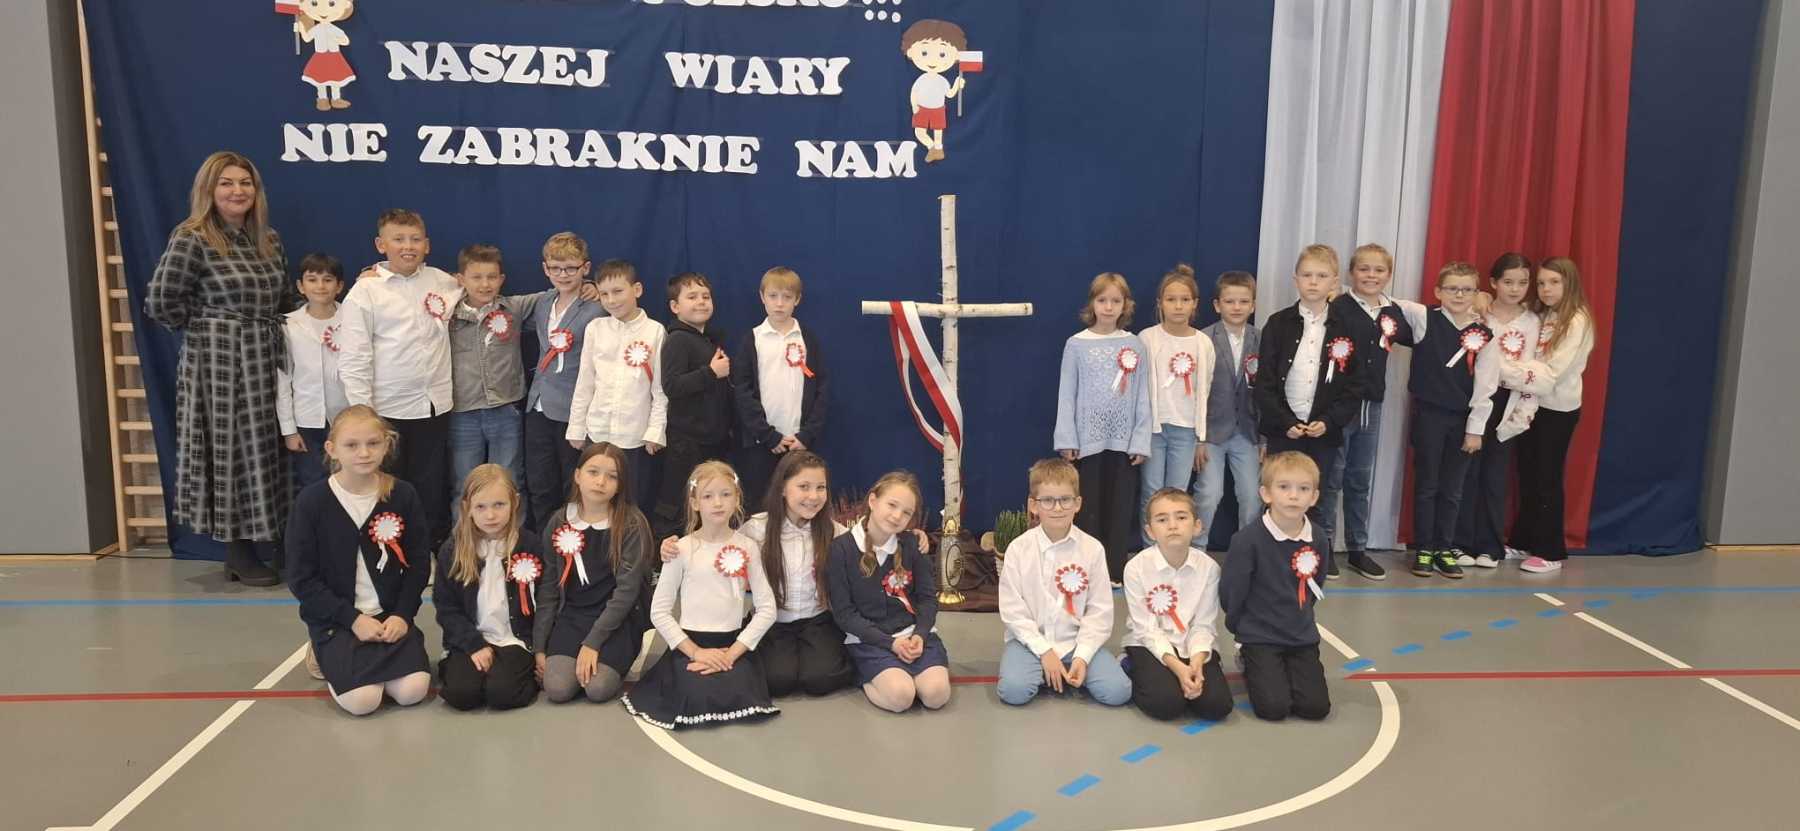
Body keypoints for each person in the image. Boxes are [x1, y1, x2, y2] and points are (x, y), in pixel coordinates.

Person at [146, 150, 290, 586]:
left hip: (264, 356)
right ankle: (237, 550)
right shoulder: (192, 237)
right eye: (227, 183)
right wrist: (210, 329)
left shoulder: (269, 240)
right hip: (219, 363)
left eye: (245, 183)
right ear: (209, 190)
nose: (237, 191)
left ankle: (276, 542)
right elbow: (161, 301)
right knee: (230, 451)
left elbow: (284, 299)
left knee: (265, 450)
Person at [285, 405, 432, 716]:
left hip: (389, 619)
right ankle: (322, 651)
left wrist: (402, 615)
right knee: (363, 702)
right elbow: (301, 578)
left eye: (373, 443)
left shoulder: (403, 495)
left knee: (413, 691)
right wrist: (352, 619)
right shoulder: (311, 502)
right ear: (332, 449)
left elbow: (418, 565)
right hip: (339, 621)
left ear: (386, 445)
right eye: (351, 445)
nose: (364, 453)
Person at [335, 208, 459, 551]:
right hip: (387, 411)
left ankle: (425, 553)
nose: (408, 246)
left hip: (434, 407)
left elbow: (476, 288)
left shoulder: (442, 282)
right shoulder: (365, 292)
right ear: (381, 245)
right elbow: (354, 358)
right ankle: (387, 554)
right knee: (387, 489)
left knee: (430, 488)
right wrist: (363, 415)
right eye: (398, 239)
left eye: (415, 239)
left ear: (427, 245)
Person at [623, 461, 779, 729]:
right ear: (695, 503)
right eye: (708, 496)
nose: (717, 503)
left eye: (725, 494)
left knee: (737, 692)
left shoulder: (748, 547)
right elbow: (659, 611)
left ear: (737, 499)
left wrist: (732, 654)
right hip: (690, 646)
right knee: (696, 695)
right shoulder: (680, 549)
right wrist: (695, 652)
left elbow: (767, 609)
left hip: (732, 646)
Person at [1253, 245, 1367, 579]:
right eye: (1307, 275)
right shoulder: (1278, 323)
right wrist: (1284, 422)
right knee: (1278, 488)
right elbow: (1264, 382)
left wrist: (1329, 422)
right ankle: (1273, 554)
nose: (1313, 282)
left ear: (1334, 282)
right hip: (1284, 428)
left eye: (1321, 276)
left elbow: (1355, 386)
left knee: (1319, 491)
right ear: (1295, 280)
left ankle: (1316, 551)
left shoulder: (1348, 326)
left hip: (1323, 430)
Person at [1317, 244, 1420, 580]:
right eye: (1364, 269)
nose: (1371, 275)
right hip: (1337, 405)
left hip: (1371, 404)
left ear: (1388, 275)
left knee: (1359, 478)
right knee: (1331, 478)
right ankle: (1325, 547)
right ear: (1351, 273)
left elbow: (1416, 330)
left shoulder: (1391, 311)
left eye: (1379, 270)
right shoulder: (1338, 307)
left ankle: (1357, 549)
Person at [995, 458, 1131, 707]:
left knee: (1118, 692)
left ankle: (1068, 669)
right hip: (1030, 643)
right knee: (1014, 691)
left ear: (1078, 503)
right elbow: (1012, 610)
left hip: (1076, 641)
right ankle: (1044, 669)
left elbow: (1099, 612)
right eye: (1047, 500)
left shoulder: (1092, 549)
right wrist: (1044, 652)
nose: (1057, 508)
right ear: (1033, 505)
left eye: (1065, 499)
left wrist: (1083, 656)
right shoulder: (1018, 549)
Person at [1053, 273, 1153, 583]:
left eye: (1115, 301)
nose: (1108, 307)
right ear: (1092, 304)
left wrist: (1140, 440)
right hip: (1087, 442)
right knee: (1089, 508)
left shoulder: (1134, 345)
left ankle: (1115, 572)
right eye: (1102, 300)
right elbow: (1067, 394)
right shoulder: (1076, 345)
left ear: (1125, 305)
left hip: (1123, 443)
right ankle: (1089, 572)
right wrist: (1067, 438)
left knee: (1120, 508)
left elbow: (1142, 395)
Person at [825, 471, 952, 713]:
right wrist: (890, 644)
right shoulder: (841, 550)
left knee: (937, 695)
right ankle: (866, 675)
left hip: (912, 635)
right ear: (873, 501)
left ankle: (911, 673)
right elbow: (845, 614)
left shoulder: (912, 544)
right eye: (892, 505)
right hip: (870, 640)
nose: (897, 516)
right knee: (901, 697)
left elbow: (927, 599)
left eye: (906, 513)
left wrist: (920, 635)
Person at [536, 442, 652, 704]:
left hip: (617, 620)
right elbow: (550, 587)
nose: (601, 482)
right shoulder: (559, 521)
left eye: (612, 476)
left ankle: (622, 653)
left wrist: (592, 643)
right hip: (573, 616)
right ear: (577, 476)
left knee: (597, 688)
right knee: (557, 688)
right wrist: (540, 646)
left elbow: (627, 591)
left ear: (620, 485)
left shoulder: (632, 523)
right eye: (593, 472)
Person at [1221, 451, 1331, 722]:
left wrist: (1299, 617)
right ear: (1266, 493)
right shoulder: (1247, 540)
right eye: (1284, 487)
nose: (1294, 496)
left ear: (1314, 497)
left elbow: (1316, 582)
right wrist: (1242, 628)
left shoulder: (1318, 537)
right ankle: (1248, 658)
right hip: (1260, 636)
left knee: (1315, 708)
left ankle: (1291, 668)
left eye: (1303, 489)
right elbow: (1232, 592)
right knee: (1273, 708)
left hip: (1300, 636)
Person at [1403, 262, 1496, 579]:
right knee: (1427, 485)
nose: (1459, 295)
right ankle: (1424, 548)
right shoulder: (1424, 318)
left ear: (1476, 293)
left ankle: (1444, 548)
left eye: (1467, 289)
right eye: (1452, 288)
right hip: (1429, 416)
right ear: (1438, 292)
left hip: (1462, 421)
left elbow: (1486, 385)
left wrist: (1475, 429)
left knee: (1453, 489)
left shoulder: (1484, 334)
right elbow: (1389, 302)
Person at [1454, 253, 1544, 570]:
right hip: (1475, 398)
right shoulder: (1479, 313)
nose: (1515, 289)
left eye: (1522, 283)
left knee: (1495, 475)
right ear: (1493, 283)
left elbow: (1531, 367)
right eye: (1508, 282)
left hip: (1509, 403)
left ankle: (1490, 545)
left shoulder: (1532, 322)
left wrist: (1513, 385)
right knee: (1466, 472)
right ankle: (1459, 542)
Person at [1511, 257, 1596, 574]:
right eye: (1542, 283)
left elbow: (1554, 370)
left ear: (1569, 283)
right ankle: (1524, 539)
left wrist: (1511, 374)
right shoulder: (1544, 315)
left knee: (1547, 477)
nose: (1546, 289)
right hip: (1531, 404)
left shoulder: (1577, 321)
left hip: (1557, 409)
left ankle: (1550, 550)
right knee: (1528, 474)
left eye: (1554, 282)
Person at [433, 464, 541, 711]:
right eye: (480, 507)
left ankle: (521, 675)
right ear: (466, 508)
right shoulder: (453, 550)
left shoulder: (530, 545)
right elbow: (447, 608)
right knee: (461, 695)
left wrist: (539, 648)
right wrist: (473, 644)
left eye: (499, 505)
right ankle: (456, 666)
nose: (490, 515)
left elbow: (544, 600)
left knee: (502, 694)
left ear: (515, 502)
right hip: (470, 639)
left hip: (513, 640)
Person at [1123, 487, 1233, 722]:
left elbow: (1204, 625)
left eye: (1181, 517)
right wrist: (1178, 668)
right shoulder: (1136, 568)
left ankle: (1188, 675)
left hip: (1191, 645)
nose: (1172, 525)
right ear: (1150, 531)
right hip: (1148, 644)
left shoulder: (1209, 568)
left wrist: (1196, 664)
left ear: (1197, 526)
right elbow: (1146, 629)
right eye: (1162, 520)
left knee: (1217, 706)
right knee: (1166, 705)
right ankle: (1130, 664)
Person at [567, 259, 667, 509]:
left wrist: (655, 430)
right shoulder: (595, 328)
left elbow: (660, 389)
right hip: (597, 431)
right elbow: (585, 382)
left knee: (632, 501)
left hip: (635, 435)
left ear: (637, 289)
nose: (611, 300)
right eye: (604, 294)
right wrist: (576, 427)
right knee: (595, 499)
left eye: (618, 291)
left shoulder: (655, 331)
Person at [522, 236, 607, 529]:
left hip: (573, 409)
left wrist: (596, 288)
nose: (563, 275)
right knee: (539, 482)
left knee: (573, 482)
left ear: (585, 268)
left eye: (571, 268)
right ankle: (546, 541)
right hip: (538, 406)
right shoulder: (543, 302)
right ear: (545, 269)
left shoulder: (597, 307)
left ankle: (574, 541)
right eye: (556, 268)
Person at [731, 267, 828, 508]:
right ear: (762, 297)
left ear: (798, 299)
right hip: (762, 443)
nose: (779, 304)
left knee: (799, 504)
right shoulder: (752, 339)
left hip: (799, 442)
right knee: (761, 505)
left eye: (787, 297)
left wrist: (806, 434)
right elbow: (742, 391)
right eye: (773, 296)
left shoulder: (808, 339)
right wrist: (767, 435)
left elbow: (822, 389)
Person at [1137, 264, 1215, 545]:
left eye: (1185, 300)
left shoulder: (1203, 343)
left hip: (1186, 430)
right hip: (1154, 430)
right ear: (1160, 303)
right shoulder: (1147, 338)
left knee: (1178, 494)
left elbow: (1205, 391)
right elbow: (1139, 387)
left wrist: (1201, 437)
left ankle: (1175, 549)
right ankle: (1150, 550)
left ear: (1195, 304)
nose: (1178, 306)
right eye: (1171, 299)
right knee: (1151, 492)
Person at [656, 272, 734, 540]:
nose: (701, 301)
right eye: (692, 297)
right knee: (680, 504)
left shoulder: (707, 340)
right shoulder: (678, 339)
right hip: (686, 443)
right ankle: (666, 557)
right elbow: (672, 385)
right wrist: (710, 372)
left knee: (706, 504)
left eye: (705, 296)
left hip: (710, 440)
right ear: (675, 306)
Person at [1194, 271, 1262, 543]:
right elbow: (1196, 393)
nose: (1236, 307)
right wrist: (1198, 437)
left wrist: (1264, 438)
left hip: (1247, 432)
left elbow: (1266, 392)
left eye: (1243, 302)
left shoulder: (1261, 339)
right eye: (1230, 301)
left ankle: (1247, 551)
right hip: (1211, 433)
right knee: (1209, 493)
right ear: (1217, 305)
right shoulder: (1203, 339)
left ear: (1253, 305)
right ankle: (1196, 548)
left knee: (1252, 496)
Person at [277, 252, 348, 494]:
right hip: (306, 420)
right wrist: (289, 430)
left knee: (348, 480)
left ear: (339, 286)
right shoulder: (287, 325)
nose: (320, 286)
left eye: (328, 280)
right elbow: (283, 381)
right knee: (313, 484)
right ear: (300, 286)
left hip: (346, 416)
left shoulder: (353, 318)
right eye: (312, 279)